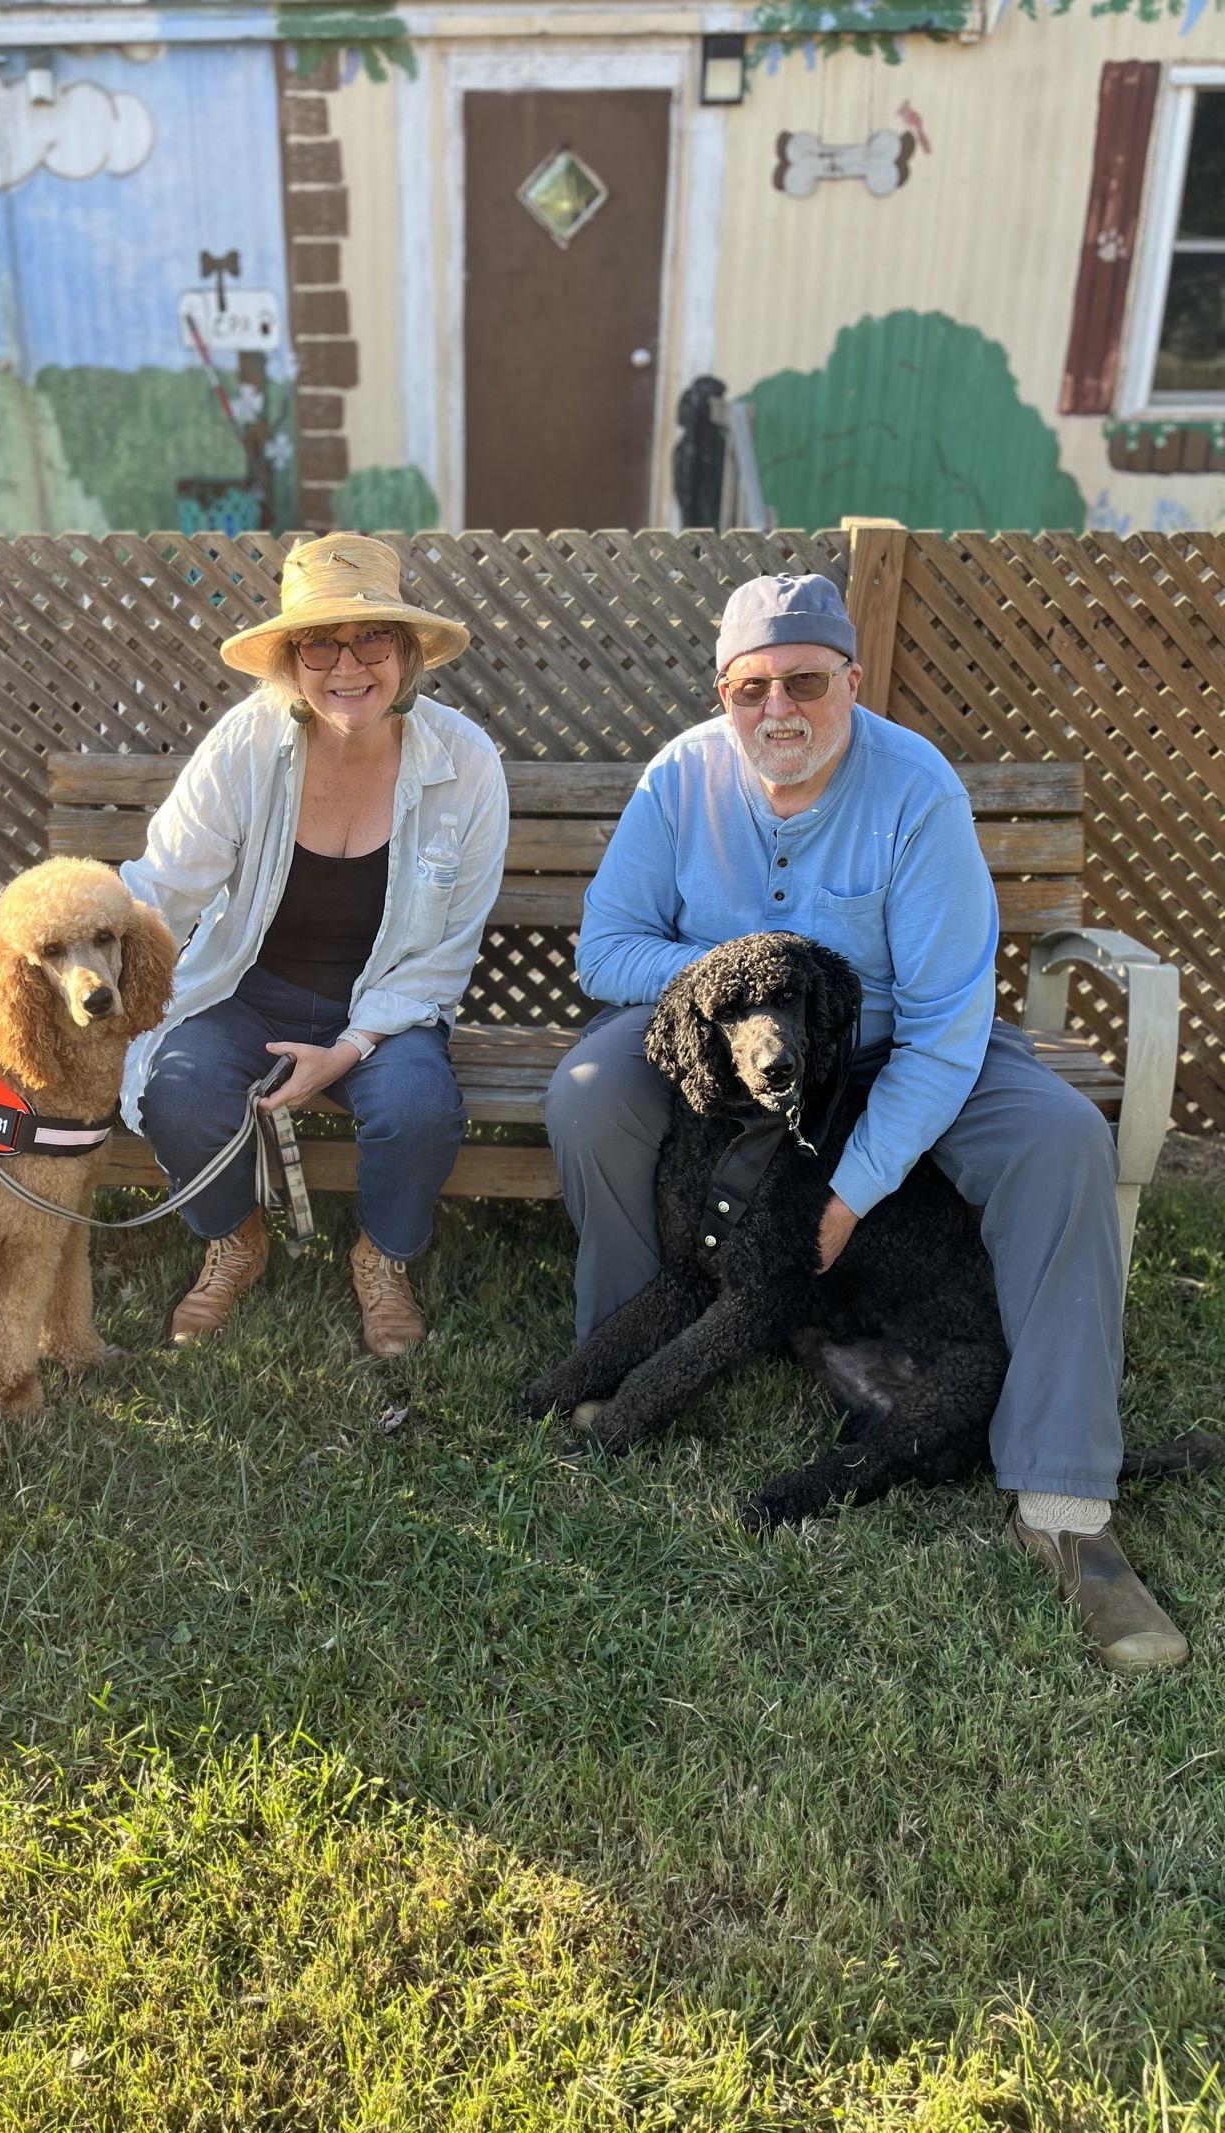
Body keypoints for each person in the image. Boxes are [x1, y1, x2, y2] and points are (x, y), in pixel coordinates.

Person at [542, 571, 1188, 1674]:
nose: (777, 710)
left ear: (850, 679)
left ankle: (1065, 1503)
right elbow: (605, 949)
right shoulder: (682, 776)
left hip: (901, 1041)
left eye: (804, 681)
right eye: (752, 688)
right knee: (593, 1091)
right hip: (739, 1044)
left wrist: (849, 1196)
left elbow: (945, 1021)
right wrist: (746, 984)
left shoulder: (914, 788)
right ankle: (624, 1359)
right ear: (723, 691)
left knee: (1059, 1140)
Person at [119, 532, 505, 1354]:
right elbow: (159, 889)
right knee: (175, 1089)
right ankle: (236, 1237)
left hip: (388, 1004)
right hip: (250, 991)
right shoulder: (247, 745)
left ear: (405, 652)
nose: (347, 664)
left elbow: (445, 954)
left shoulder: (467, 764)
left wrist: (354, 1045)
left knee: (418, 1108)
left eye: (371, 637)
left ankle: (382, 1258)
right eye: (318, 642)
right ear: (289, 662)